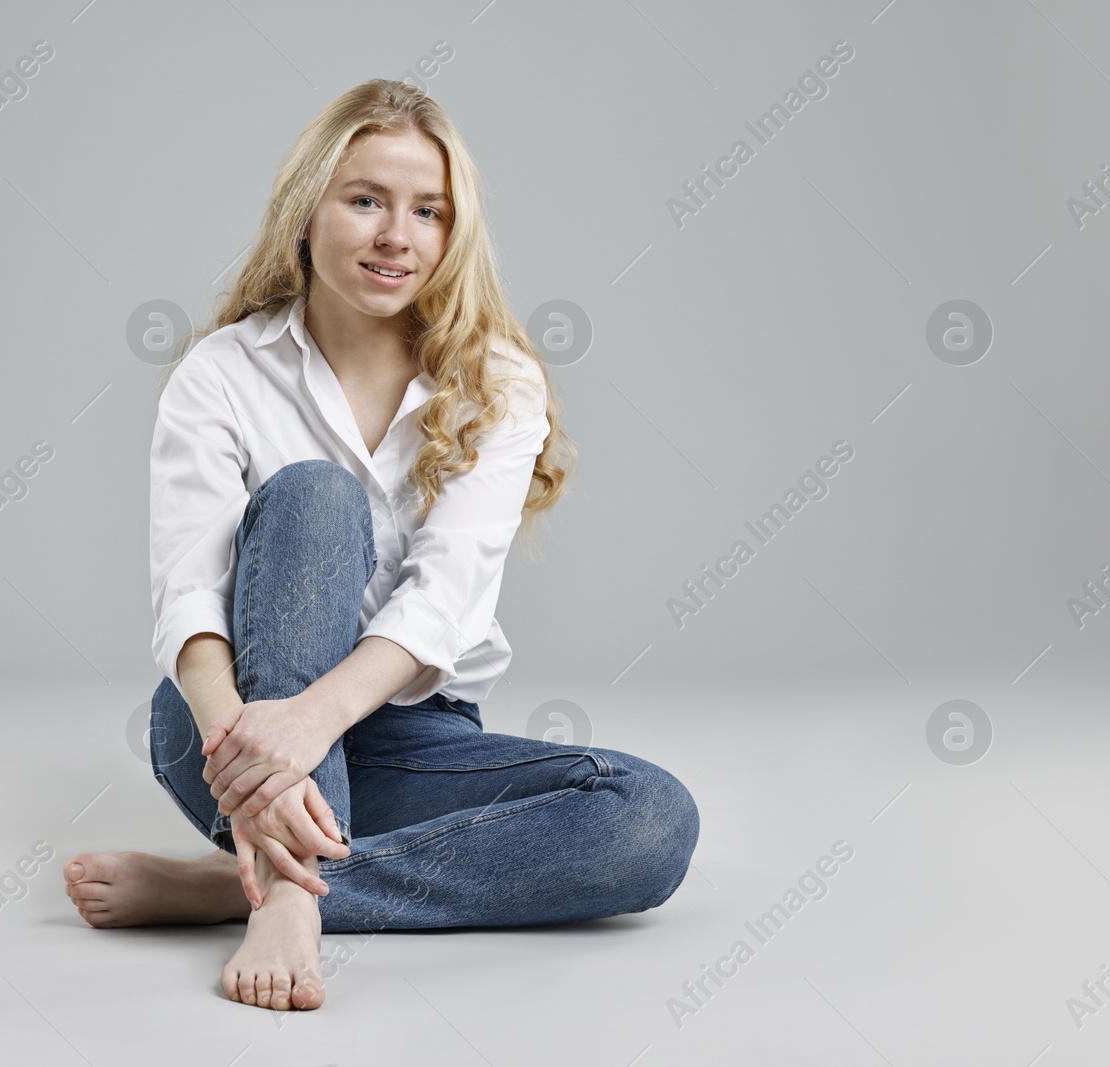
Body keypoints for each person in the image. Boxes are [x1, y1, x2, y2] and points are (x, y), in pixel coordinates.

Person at [64, 78, 698, 1013]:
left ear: (452, 234)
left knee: (650, 823)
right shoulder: (222, 373)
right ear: (306, 213)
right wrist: (249, 735)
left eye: (428, 211)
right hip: (222, 724)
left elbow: (444, 601)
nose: (397, 235)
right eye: (365, 200)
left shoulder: (497, 381)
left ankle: (248, 887)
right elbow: (189, 597)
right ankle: (287, 888)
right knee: (315, 498)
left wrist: (312, 724)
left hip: (413, 736)